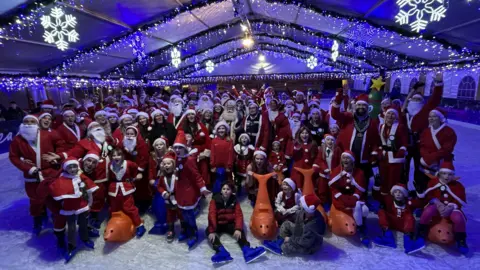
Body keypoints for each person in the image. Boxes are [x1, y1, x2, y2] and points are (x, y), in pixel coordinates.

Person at [9, 115, 62, 235]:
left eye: (32, 121)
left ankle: (57, 218)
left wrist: (57, 157)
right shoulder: (18, 140)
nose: (28, 124)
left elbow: (61, 144)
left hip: (49, 173)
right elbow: (13, 157)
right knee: (35, 200)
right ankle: (37, 220)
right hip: (32, 176)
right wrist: (27, 167)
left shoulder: (47, 135)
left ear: (37, 124)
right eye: (26, 121)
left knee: (54, 196)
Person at [331, 87, 380, 198]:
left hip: (363, 160)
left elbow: (375, 141)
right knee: (344, 180)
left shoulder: (372, 122)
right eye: (359, 105)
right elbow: (335, 114)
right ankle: (343, 200)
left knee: (362, 182)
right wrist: (339, 98)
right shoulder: (348, 117)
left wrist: (374, 154)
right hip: (346, 158)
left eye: (363, 105)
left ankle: (361, 201)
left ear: (368, 108)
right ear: (355, 106)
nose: (361, 107)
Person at [48, 158, 98, 262]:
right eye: (70, 167)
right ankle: (72, 245)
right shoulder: (61, 179)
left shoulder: (81, 176)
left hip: (82, 205)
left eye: (74, 166)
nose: (72, 169)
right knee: (71, 227)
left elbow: (89, 186)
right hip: (69, 207)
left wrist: (89, 202)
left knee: (83, 224)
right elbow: (55, 188)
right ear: (65, 168)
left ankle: (85, 238)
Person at [207, 182, 266, 264]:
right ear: (221, 190)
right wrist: (212, 231)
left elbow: (239, 215)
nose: (225, 191)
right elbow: (211, 215)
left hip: (229, 223)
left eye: (228, 189)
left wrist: (238, 228)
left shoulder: (234, 200)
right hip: (218, 224)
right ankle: (221, 251)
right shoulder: (214, 200)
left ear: (231, 191)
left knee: (240, 231)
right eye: (223, 189)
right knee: (209, 232)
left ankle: (247, 250)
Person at [402, 73, 443, 188]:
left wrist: (438, 84)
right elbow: (405, 102)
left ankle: (418, 189)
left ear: (422, 103)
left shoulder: (424, 112)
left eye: (418, 99)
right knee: (403, 168)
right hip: (405, 145)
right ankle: (402, 187)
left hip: (419, 146)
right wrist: (413, 90)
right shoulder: (405, 112)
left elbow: (435, 99)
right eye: (414, 99)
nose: (415, 100)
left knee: (419, 168)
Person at [416, 161, 468, 255]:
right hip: (437, 205)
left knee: (458, 218)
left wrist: (451, 206)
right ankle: (421, 231)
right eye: (444, 173)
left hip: (452, 208)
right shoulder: (433, 182)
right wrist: (436, 202)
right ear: (440, 173)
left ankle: (460, 239)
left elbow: (461, 201)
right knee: (427, 211)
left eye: (450, 174)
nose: (447, 177)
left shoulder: (458, 186)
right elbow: (428, 196)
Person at [172, 131, 211, 249]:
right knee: (182, 213)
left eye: (180, 147)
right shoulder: (178, 157)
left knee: (189, 214)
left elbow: (196, 175)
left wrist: (203, 188)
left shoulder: (189, 160)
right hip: (180, 190)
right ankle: (186, 230)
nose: (177, 150)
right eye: (176, 147)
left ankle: (194, 233)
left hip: (189, 191)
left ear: (185, 148)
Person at [329, 151, 370, 246]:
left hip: (355, 197)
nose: (345, 160)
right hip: (340, 198)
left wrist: (354, 197)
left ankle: (361, 224)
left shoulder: (359, 173)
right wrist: (341, 197)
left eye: (348, 158)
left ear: (352, 161)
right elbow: (333, 187)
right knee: (358, 208)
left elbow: (360, 189)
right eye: (344, 158)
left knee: (365, 210)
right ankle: (360, 228)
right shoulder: (337, 171)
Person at [373, 184, 424, 254]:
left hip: (403, 225)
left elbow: (420, 204)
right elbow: (377, 197)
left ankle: (409, 244)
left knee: (409, 216)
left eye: (400, 192)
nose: (398, 194)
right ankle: (388, 238)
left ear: (404, 194)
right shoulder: (389, 200)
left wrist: (420, 194)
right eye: (396, 192)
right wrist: (376, 187)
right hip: (391, 223)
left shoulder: (408, 202)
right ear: (393, 193)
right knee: (381, 211)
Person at [107, 148, 146, 238]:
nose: (116, 157)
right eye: (114, 155)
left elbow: (136, 169)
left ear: (123, 156)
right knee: (114, 208)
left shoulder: (128, 163)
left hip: (126, 188)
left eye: (118, 155)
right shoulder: (110, 165)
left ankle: (140, 225)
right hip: (114, 190)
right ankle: (115, 225)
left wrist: (137, 175)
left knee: (129, 208)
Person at [417, 108, 456, 193]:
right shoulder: (426, 131)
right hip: (426, 164)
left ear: (440, 118)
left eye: (434, 116)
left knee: (438, 188)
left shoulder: (449, 132)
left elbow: (447, 149)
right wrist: (426, 158)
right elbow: (422, 146)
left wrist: (431, 158)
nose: (431, 118)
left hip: (441, 164)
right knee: (423, 184)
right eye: (429, 117)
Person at [375, 106, 408, 199]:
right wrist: (379, 151)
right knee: (383, 179)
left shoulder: (400, 127)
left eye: (393, 114)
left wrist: (401, 151)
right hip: (384, 158)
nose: (390, 115)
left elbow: (404, 142)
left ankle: (392, 200)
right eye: (388, 113)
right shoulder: (381, 126)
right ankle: (384, 200)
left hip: (395, 158)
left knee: (393, 180)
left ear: (396, 116)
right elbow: (379, 142)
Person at [156, 151, 186, 243]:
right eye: (164, 164)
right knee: (170, 215)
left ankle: (184, 228)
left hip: (178, 199)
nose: (166, 166)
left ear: (173, 164)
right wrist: (164, 192)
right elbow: (159, 186)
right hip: (168, 200)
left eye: (168, 164)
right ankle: (170, 230)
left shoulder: (178, 175)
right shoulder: (162, 177)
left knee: (181, 214)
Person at [313, 134, 342, 205]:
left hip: (333, 174)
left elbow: (339, 162)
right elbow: (319, 160)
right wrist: (325, 168)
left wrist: (336, 171)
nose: (330, 141)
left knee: (332, 189)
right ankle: (322, 203)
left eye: (332, 140)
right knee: (322, 189)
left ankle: (332, 203)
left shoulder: (337, 149)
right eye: (328, 140)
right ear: (325, 141)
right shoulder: (322, 149)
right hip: (323, 174)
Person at [289, 126, 317, 190]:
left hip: (309, 169)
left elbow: (316, 157)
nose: (304, 135)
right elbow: (291, 154)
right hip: (298, 170)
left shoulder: (313, 144)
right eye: (302, 133)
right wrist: (295, 148)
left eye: (306, 133)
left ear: (309, 134)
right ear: (299, 134)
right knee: (298, 187)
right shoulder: (296, 144)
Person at [210, 121, 234, 190]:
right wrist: (212, 165)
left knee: (227, 180)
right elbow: (212, 154)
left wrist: (229, 166)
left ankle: (228, 194)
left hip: (227, 166)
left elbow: (231, 154)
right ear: (217, 130)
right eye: (219, 128)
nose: (221, 130)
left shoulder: (229, 141)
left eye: (223, 128)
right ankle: (217, 193)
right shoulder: (214, 141)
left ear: (226, 130)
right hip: (216, 166)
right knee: (217, 180)